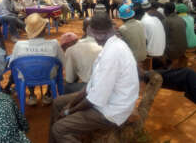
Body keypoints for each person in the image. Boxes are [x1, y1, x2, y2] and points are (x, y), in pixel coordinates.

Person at [49, 13, 139, 143]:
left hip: (112, 111)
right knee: (58, 103)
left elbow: (94, 100)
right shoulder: (110, 45)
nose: (93, 37)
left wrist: (69, 111)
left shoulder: (112, 54)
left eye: (93, 34)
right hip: (108, 99)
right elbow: (90, 86)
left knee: (59, 129)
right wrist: (69, 104)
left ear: (98, 33)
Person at [7, 13, 65, 105]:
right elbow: (62, 63)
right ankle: (49, 93)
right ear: (44, 29)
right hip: (48, 76)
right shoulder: (54, 44)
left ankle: (31, 94)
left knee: (26, 69)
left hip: (27, 77)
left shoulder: (19, 45)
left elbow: (11, 65)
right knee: (55, 68)